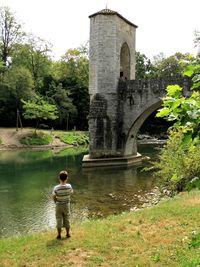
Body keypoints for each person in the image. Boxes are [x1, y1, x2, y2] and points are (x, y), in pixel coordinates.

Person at [52, 170, 73, 239]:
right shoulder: (69, 186)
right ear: (67, 178)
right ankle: (67, 234)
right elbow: (71, 192)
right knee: (67, 218)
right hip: (66, 205)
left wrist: (56, 201)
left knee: (59, 219)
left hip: (59, 205)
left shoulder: (56, 187)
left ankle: (59, 235)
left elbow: (53, 196)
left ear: (59, 178)